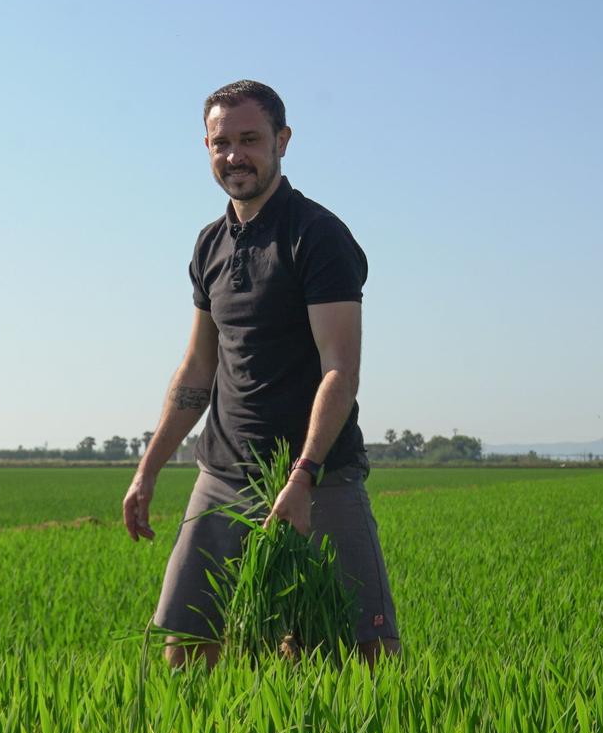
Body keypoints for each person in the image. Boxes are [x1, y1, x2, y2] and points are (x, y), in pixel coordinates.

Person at [123, 80, 401, 669]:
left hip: (317, 478)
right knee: (187, 648)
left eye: (250, 139)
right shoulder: (209, 245)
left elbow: (340, 370)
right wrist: (147, 470)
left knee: (363, 655)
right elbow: (198, 366)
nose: (234, 155)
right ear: (206, 146)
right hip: (223, 475)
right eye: (221, 142)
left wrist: (302, 477)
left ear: (282, 141)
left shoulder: (316, 235)